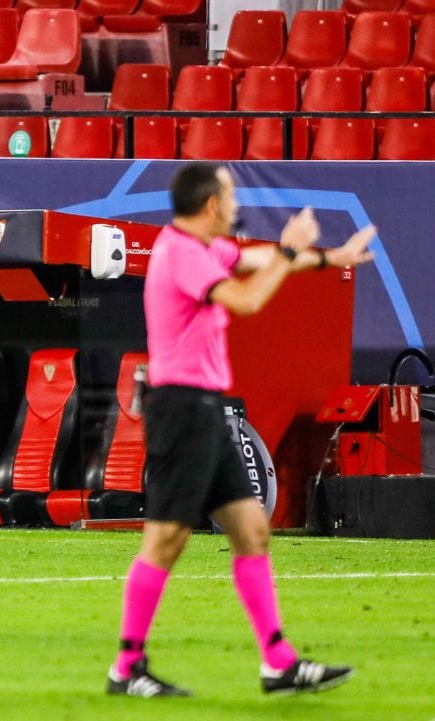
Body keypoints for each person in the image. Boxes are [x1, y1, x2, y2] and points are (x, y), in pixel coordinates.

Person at [106, 163, 376, 698]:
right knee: (166, 539)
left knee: (252, 530)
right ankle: (127, 668)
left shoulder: (207, 246)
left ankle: (278, 663)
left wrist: (328, 258)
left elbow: (257, 257)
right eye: (229, 195)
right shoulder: (181, 253)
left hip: (207, 411)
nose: (235, 204)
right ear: (211, 205)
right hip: (181, 410)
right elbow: (247, 299)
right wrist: (296, 254)